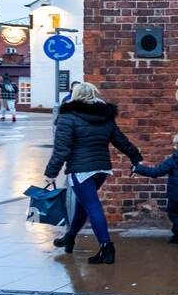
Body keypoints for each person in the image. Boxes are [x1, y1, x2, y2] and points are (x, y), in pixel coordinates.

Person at [43, 81, 142, 264]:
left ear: (75, 95)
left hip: (81, 170)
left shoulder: (68, 116)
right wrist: (136, 157)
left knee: (92, 206)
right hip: (102, 169)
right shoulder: (105, 117)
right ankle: (70, 237)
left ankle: (107, 247)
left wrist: (51, 172)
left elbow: (62, 149)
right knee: (83, 205)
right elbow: (120, 140)